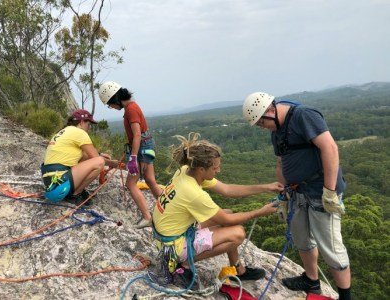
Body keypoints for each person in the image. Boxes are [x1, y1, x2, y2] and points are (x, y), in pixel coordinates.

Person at [242, 92, 351, 300]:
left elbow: (330, 148)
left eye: (260, 122)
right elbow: (281, 162)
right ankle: (311, 280)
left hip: (320, 191)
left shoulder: (303, 116)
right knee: (301, 238)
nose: (261, 127)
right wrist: (284, 193)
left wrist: (329, 190)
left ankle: (346, 296)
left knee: (330, 246)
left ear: (271, 110)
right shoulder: (277, 130)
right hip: (297, 191)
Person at [152, 133, 283, 287]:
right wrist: (260, 212)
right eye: (215, 168)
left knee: (227, 212)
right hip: (173, 247)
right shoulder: (194, 193)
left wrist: (266, 187)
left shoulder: (186, 171)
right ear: (202, 169)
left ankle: (238, 270)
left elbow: (227, 190)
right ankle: (183, 264)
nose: (218, 170)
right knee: (237, 234)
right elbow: (227, 221)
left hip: (168, 235)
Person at [99, 81, 163, 228]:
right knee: (151, 181)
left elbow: (137, 135)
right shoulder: (131, 107)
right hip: (145, 146)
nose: (112, 107)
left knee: (131, 183)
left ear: (115, 98)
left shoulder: (131, 110)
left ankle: (147, 217)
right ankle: (169, 211)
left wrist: (133, 157)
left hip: (141, 148)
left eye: (110, 104)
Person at [41, 109, 118, 206]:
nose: (89, 128)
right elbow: (96, 158)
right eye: (88, 124)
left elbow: (85, 155)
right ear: (81, 122)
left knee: (87, 156)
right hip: (61, 185)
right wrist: (114, 164)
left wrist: (100, 154)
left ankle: (73, 190)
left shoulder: (64, 131)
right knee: (99, 162)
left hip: (51, 185)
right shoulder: (79, 132)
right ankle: (75, 194)